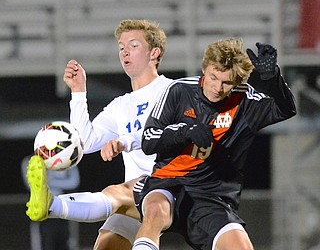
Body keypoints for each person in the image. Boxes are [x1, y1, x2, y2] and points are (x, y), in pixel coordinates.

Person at [132, 38, 297, 250]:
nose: (218, 87)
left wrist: (272, 78)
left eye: (226, 82)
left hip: (211, 198)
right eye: (213, 77)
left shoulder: (245, 101)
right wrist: (186, 131)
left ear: (237, 81)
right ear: (204, 69)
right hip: (169, 184)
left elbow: (286, 109)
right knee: (153, 211)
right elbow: (148, 140)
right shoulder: (179, 90)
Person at [26, 19, 172, 250]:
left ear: (154, 53)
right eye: (121, 48)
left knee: (116, 194)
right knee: (106, 245)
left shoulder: (175, 90)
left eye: (133, 46)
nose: (125, 52)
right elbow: (84, 142)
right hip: (135, 195)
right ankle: (49, 204)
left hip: (173, 186)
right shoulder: (120, 105)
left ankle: (52, 205)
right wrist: (78, 92)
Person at [22, 155, 80, 250]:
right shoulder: (30, 160)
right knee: (45, 244)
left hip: (62, 212)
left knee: (65, 244)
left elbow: (74, 182)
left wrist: (46, 181)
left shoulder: (65, 157)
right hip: (43, 213)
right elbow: (31, 184)